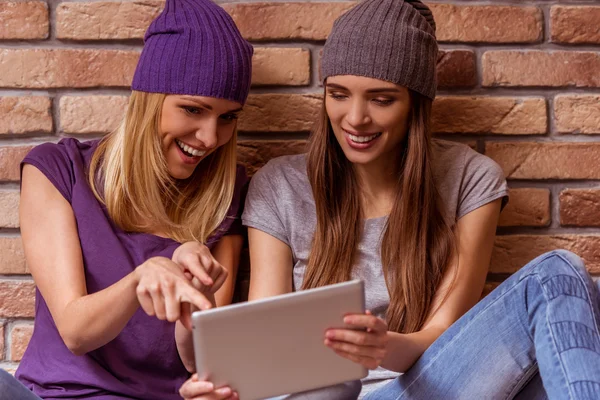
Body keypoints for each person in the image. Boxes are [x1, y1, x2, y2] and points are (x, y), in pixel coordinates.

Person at [239, 0, 600, 399]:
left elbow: (445, 333)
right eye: (338, 94)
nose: (354, 117)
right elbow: (261, 348)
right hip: (319, 394)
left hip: (423, 385)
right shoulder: (279, 186)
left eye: (381, 99)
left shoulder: (469, 178)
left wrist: (384, 348)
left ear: (416, 104)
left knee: (561, 277)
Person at [0, 0, 253, 399]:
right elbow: (76, 332)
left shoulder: (225, 194)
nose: (209, 138)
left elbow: (201, 361)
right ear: (149, 99)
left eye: (228, 117)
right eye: (192, 109)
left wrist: (196, 296)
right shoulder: (57, 170)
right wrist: (141, 278)